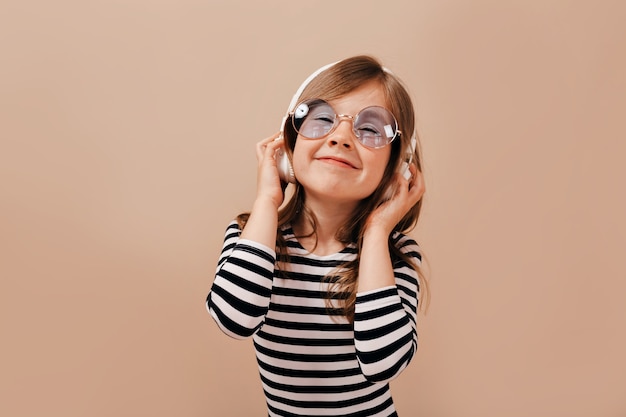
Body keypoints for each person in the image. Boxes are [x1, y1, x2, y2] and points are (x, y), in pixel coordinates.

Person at [206, 55, 427, 417]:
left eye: (371, 129)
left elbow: (384, 362)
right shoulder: (253, 236)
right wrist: (267, 199)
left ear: (396, 168)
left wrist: (375, 233)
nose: (340, 137)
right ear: (287, 144)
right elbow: (234, 319)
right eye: (321, 119)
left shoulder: (396, 253)